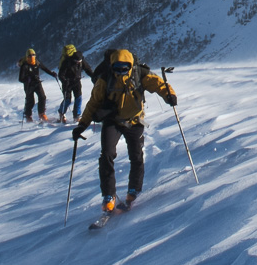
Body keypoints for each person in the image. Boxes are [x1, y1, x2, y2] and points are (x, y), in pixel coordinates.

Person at [71, 49, 177, 214]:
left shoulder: (139, 74)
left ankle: (133, 190)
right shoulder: (105, 79)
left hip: (134, 121)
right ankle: (108, 196)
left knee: (136, 155)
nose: (121, 72)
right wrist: (81, 125)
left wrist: (169, 95)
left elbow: (158, 84)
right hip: (112, 121)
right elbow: (93, 103)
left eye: (124, 68)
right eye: (117, 68)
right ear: (112, 66)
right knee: (107, 154)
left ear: (130, 66)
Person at [55, 44, 94, 123]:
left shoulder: (81, 61)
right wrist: (65, 81)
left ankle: (76, 116)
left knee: (78, 98)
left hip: (76, 82)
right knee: (67, 100)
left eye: (79, 61)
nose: (78, 62)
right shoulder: (67, 62)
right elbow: (61, 74)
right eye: (77, 61)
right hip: (68, 83)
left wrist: (94, 77)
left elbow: (88, 69)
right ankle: (61, 112)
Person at [18, 49, 58, 122]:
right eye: (30, 55)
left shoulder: (37, 62)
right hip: (28, 85)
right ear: (27, 57)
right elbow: (20, 79)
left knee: (42, 97)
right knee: (30, 101)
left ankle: (41, 113)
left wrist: (52, 74)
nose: (32, 57)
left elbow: (44, 68)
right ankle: (28, 116)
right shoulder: (24, 65)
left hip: (37, 83)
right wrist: (27, 79)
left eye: (33, 55)